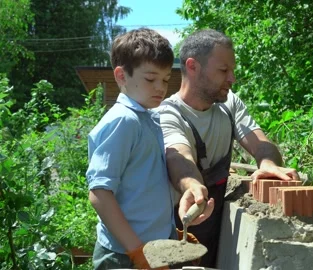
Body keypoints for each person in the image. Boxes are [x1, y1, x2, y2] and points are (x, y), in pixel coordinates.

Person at [156, 29, 299, 268]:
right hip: (179, 224)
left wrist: (269, 165)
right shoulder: (169, 113)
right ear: (193, 66)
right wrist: (192, 186)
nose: (232, 78)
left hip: (214, 224)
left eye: (232, 70)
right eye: (223, 70)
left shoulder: (229, 104)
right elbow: (179, 157)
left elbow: (261, 143)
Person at [86, 28, 214, 270]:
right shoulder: (124, 121)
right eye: (150, 79)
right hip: (124, 257)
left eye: (165, 80)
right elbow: (99, 195)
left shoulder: (149, 118)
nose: (160, 87)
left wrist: (170, 234)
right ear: (121, 76)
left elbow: (143, 188)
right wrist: (138, 252)